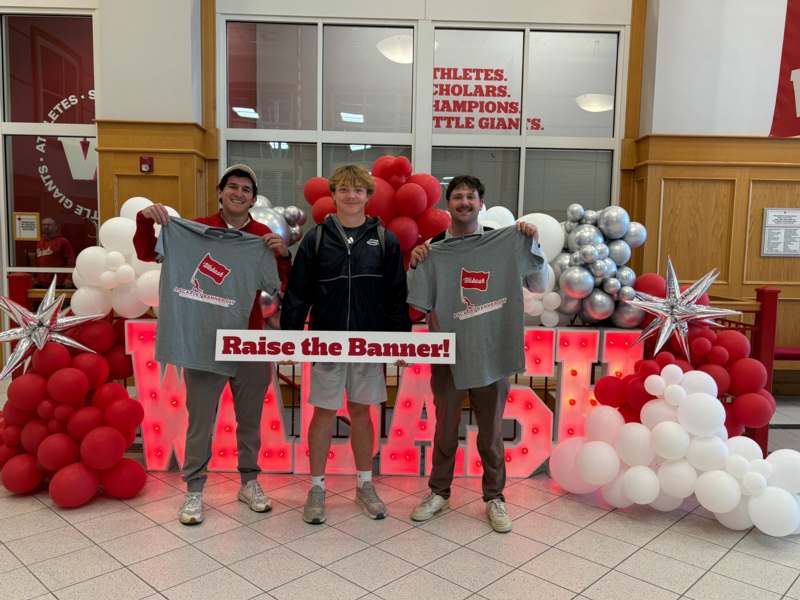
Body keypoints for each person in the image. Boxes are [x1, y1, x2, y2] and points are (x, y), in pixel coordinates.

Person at [133, 164, 291, 525]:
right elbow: (146, 252)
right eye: (232, 187)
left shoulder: (261, 235)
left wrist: (281, 254)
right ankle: (194, 489)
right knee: (200, 420)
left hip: (247, 340)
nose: (239, 193)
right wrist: (146, 220)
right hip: (201, 339)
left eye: (246, 190)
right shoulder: (192, 229)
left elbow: (281, 284)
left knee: (250, 418)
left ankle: (249, 482)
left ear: (253, 198)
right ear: (220, 192)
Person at [407, 175, 547, 533]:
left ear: (481, 203)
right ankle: (439, 492)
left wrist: (533, 242)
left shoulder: (503, 241)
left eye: (470, 196)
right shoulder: (433, 249)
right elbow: (416, 305)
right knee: (445, 428)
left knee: (491, 431)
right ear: (448, 205)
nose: (464, 202)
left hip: (492, 350)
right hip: (449, 354)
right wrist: (416, 263)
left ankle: (494, 497)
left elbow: (540, 284)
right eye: (457, 197)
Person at [281, 164, 411, 524]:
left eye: (358, 190)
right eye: (344, 189)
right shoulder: (316, 238)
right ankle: (318, 487)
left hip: (368, 342)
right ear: (333, 195)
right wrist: (292, 337)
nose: (351, 195)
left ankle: (364, 485)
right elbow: (298, 292)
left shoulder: (385, 239)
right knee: (322, 411)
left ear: (368, 196)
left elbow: (396, 295)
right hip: (326, 340)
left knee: (360, 412)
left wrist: (399, 341)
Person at [32, 217, 75, 288]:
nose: (46, 227)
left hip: (58, 282)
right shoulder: (39, 242)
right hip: (41, 282)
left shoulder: (63, 242)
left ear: (55, 227)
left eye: (49, 225)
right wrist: (34, 277)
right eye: (44, 225)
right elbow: (36, 262)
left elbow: (71, 261)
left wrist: (69, 278)